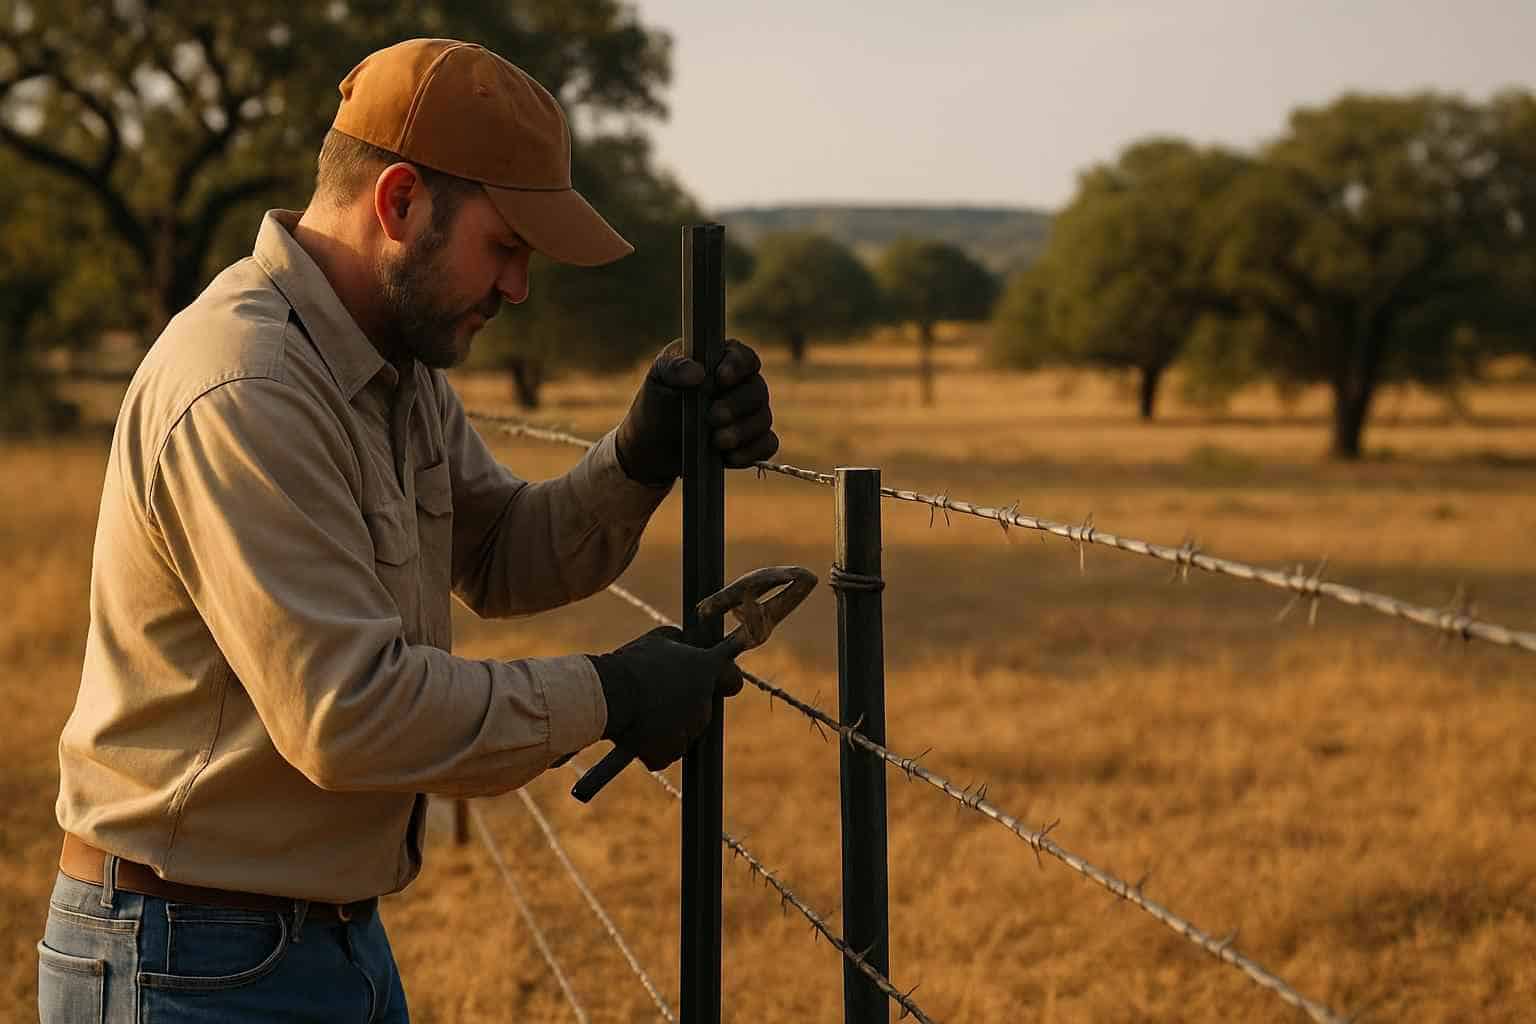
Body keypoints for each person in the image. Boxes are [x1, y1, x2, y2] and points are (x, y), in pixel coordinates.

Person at [37, 37, 776, 1023]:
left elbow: (500, 552)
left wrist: (638, 454)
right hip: (187, 959)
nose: (518, 287)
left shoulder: (393, 370)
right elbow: (349, 716)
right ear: (398, 204)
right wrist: (611, 691)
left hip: (317, 937)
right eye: (505, 246)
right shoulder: (249, 387)